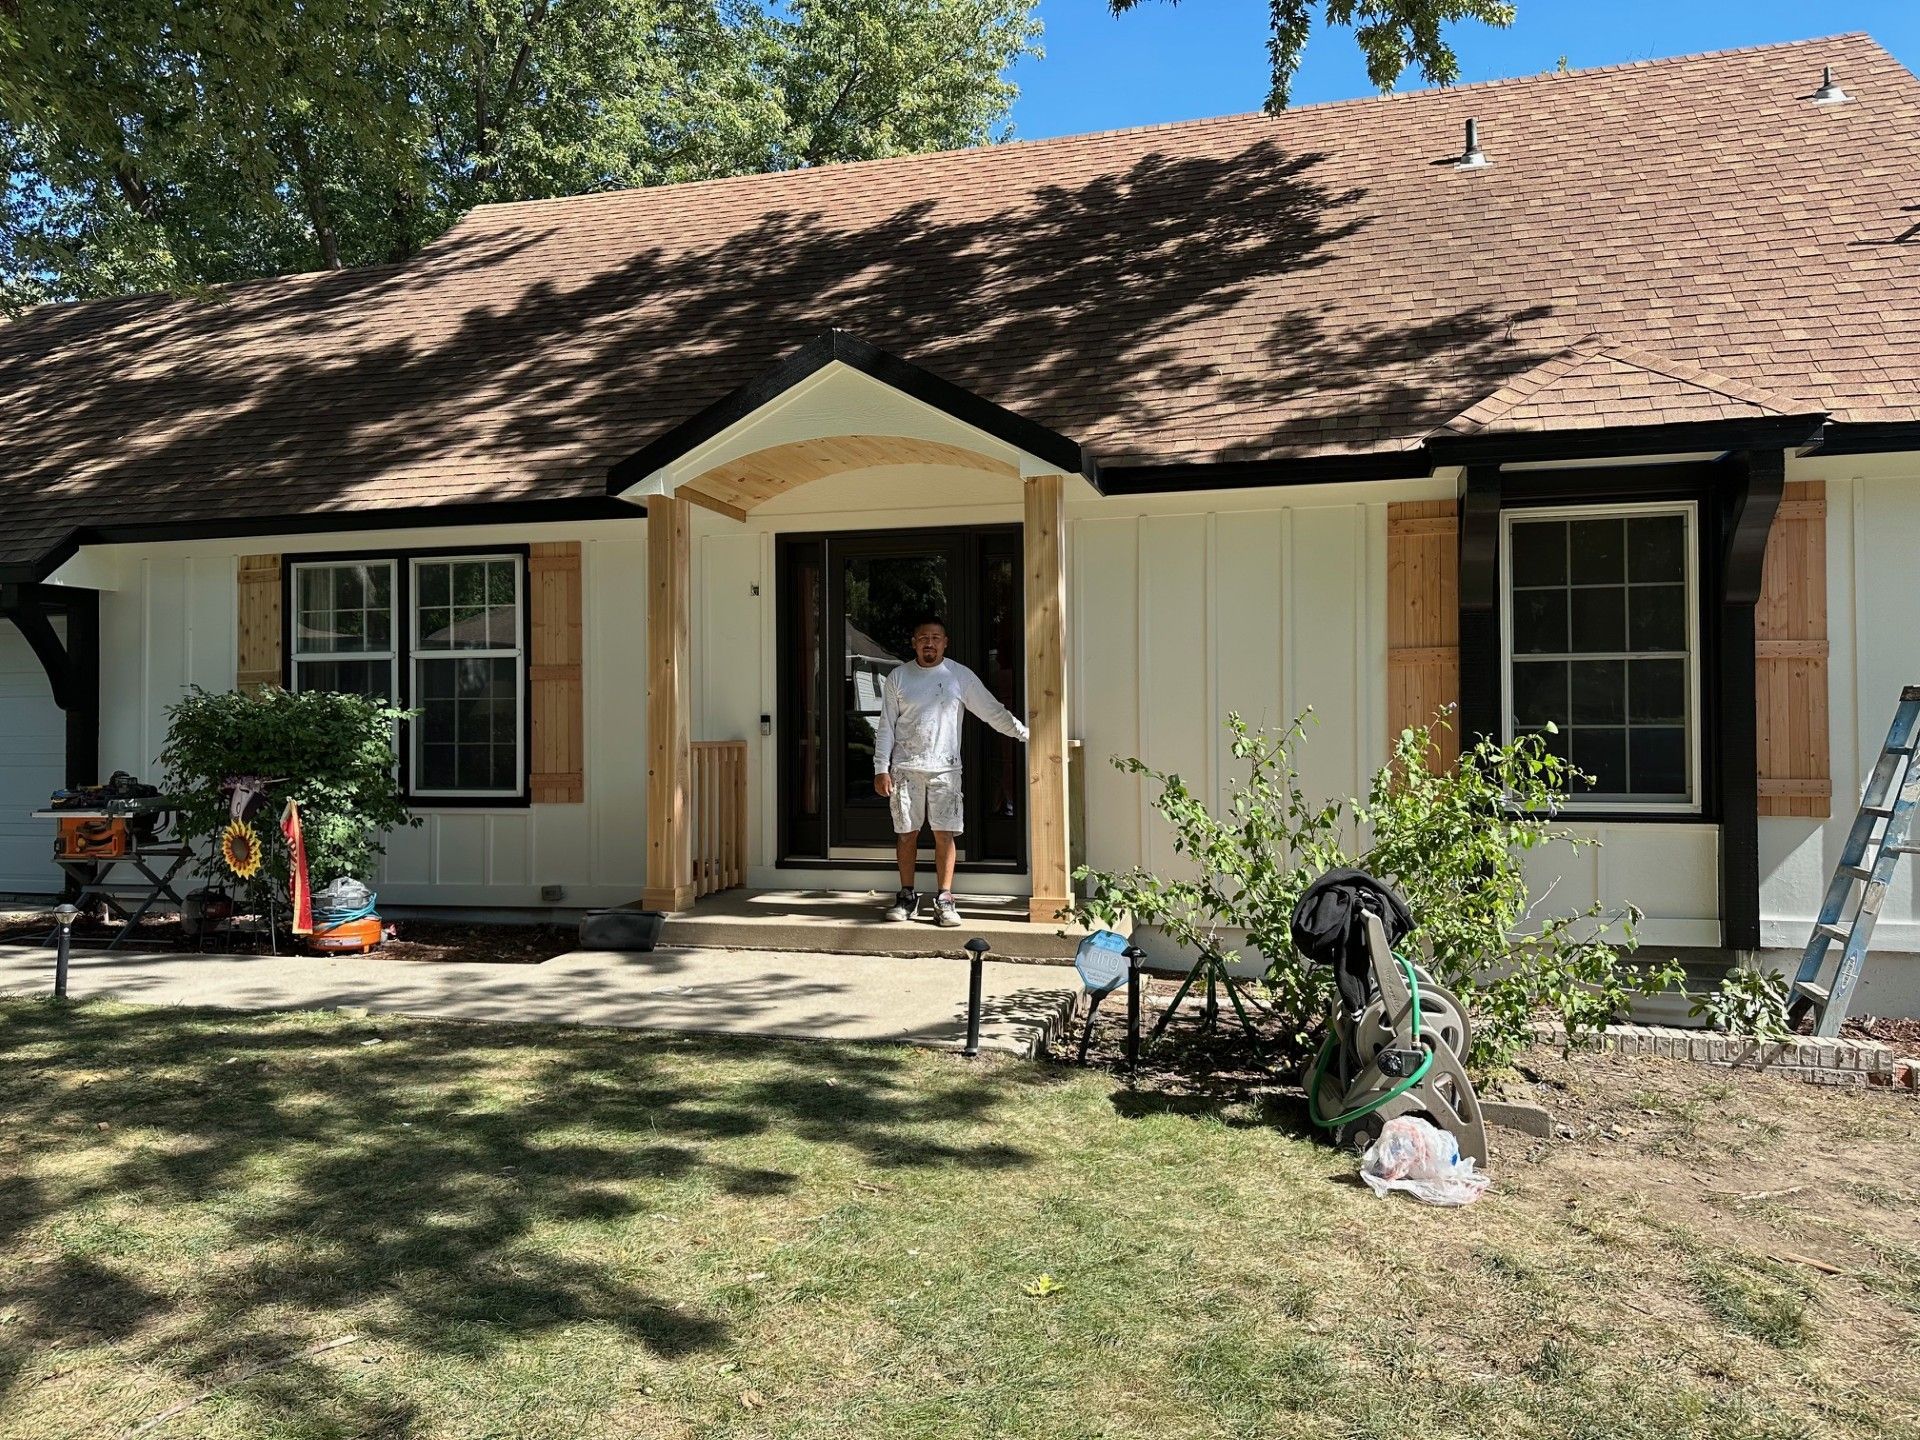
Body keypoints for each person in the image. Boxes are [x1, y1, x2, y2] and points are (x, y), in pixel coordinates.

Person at [874, 616, 1028, 926]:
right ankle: (906, 897)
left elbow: (991, 710)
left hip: (946, 770)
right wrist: (881, 768)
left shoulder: (960, 676)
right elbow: (886, 726)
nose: (929, 643)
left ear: (945, 643)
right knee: (906, 835)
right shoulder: (899, 677)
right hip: (905, 769)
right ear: (914, 643)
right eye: (923, 637)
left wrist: (1025, 734)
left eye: (935, 637)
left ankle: (944, 900)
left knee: (945, 834)